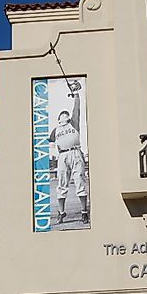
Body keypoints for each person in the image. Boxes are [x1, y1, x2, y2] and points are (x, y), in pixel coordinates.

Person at [50, 81, 89, 225]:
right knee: (62, 183)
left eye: (66, 113)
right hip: (62, 156)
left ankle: (84, 212)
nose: (65, 115)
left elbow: (76, 109)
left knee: (79, 181)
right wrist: (55, 155)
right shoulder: (56, 130)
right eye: (62, 114)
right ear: (59, 118)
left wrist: (76, 95)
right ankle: (61, 213)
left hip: (75, 152)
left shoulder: (73, 123)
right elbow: (51, 144)